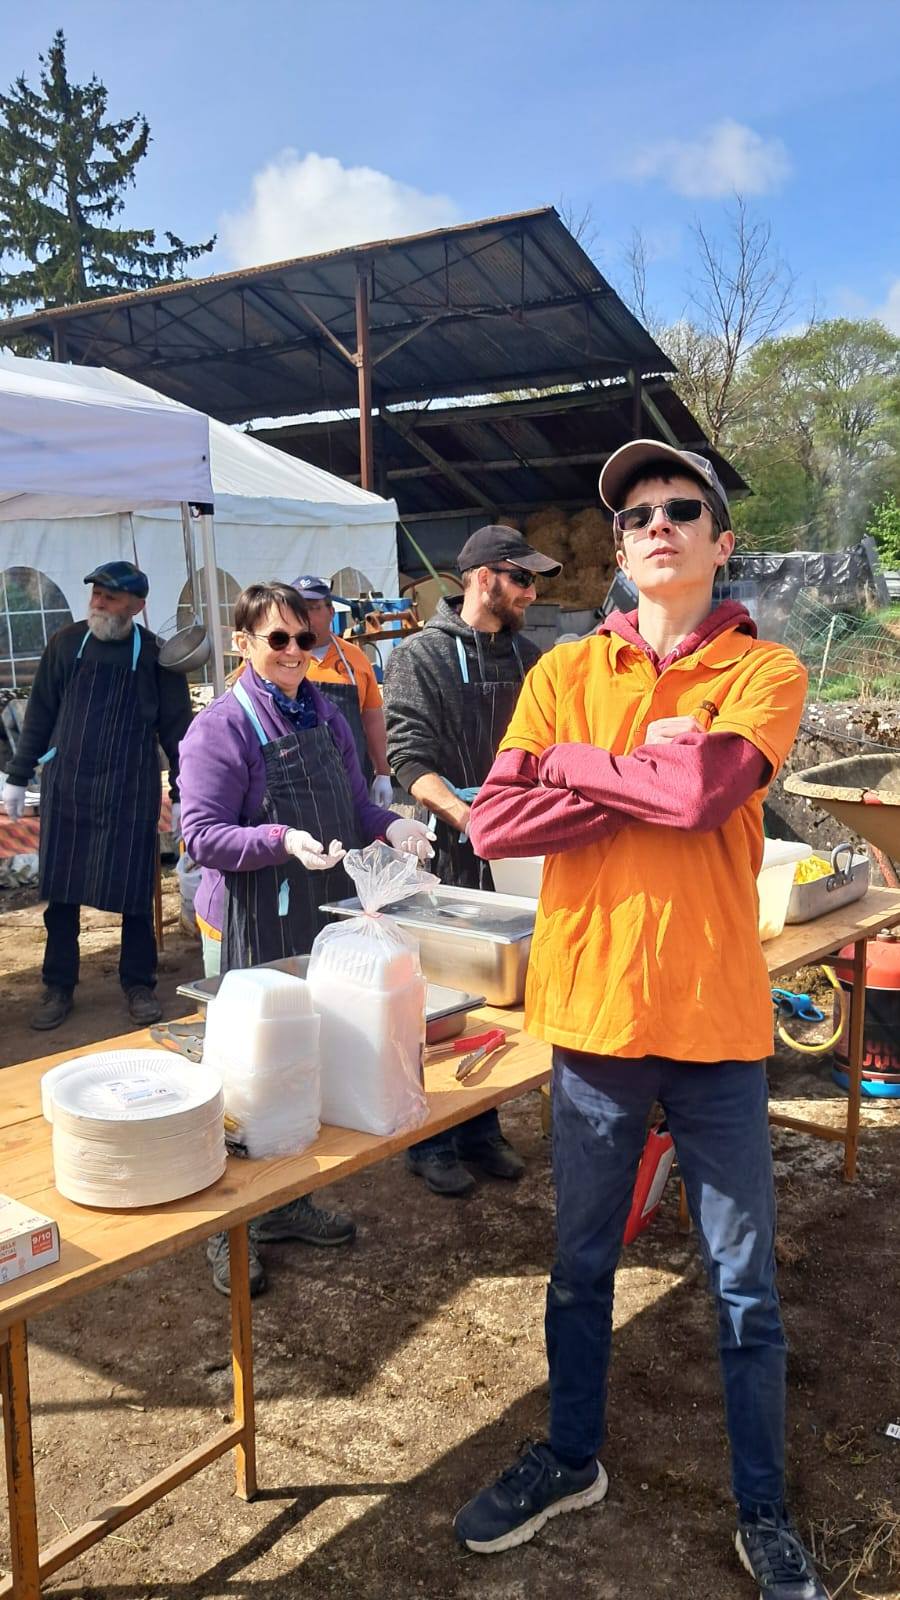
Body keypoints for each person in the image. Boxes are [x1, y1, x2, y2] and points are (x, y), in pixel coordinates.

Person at [453, 445, 825, 1599]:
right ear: (618, 553)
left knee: (746, 1281)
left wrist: (578, 769)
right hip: (596, 1020)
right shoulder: (567, 668)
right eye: (637, 515)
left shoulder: (767, 667)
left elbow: (705, 793)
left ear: (720, 542)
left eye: (683, 508)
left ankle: (761, 1507)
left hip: (715, 1021)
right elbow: (496, 825)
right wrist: (624, 765)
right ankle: (571, 1455)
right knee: (580, 1263)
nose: (658, 522)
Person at [178, 582, 433, 1298]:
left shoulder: (326, 714)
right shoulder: (221, 728)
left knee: (300, 1063)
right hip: (258, 911)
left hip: (323, 909)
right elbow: (199, 834)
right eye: (277, 640)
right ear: (244, 645)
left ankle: (284, 1204)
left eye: (304, 640)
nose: (295, 653)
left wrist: (395, 826)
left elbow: (355, 803)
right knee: (244, 1074)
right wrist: (279, 839)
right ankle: (224, 1231)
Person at [383, 525, 561, 1199]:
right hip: (446, 849)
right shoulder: (419, 657)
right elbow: (408, 760)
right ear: (484, 578)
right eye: (522, 579)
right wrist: (470, 818)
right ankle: (431, 1136)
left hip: (515, 848)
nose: (531, 592)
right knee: (438, 1000)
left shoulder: (532, 658)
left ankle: (483, 1126)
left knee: (499, 997)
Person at [2, 562, 191, 1031]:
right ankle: (58, 985)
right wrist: (17, 776)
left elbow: (178, 731)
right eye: (97, 594)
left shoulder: (156, 657)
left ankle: (138, 983)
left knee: (133, 892)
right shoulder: (67, 644)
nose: (99, 602)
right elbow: (41, 713)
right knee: (61, 893)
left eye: (109, 596)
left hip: (130, 788)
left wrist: (185, 791)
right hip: (68, 786)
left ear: (137, 606)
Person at [290, 575, 394, 805]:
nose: (306, 617)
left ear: (331, 612)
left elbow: (372, 718)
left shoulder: (355, 658)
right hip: (295, 787)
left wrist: (383, 772)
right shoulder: (280, 658)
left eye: (314, 608)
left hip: (352, 783)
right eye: (298, 609)